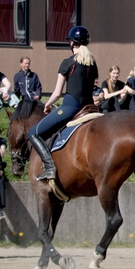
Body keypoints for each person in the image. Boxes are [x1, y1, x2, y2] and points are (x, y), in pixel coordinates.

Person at [28, 26, 99, 182]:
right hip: (89, 107)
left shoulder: (68, 62)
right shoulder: (93, 64)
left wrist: (47, 105)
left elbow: (57, 93)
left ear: (72, 43)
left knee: (32, 133)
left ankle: (49, 167)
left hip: (71, 107)